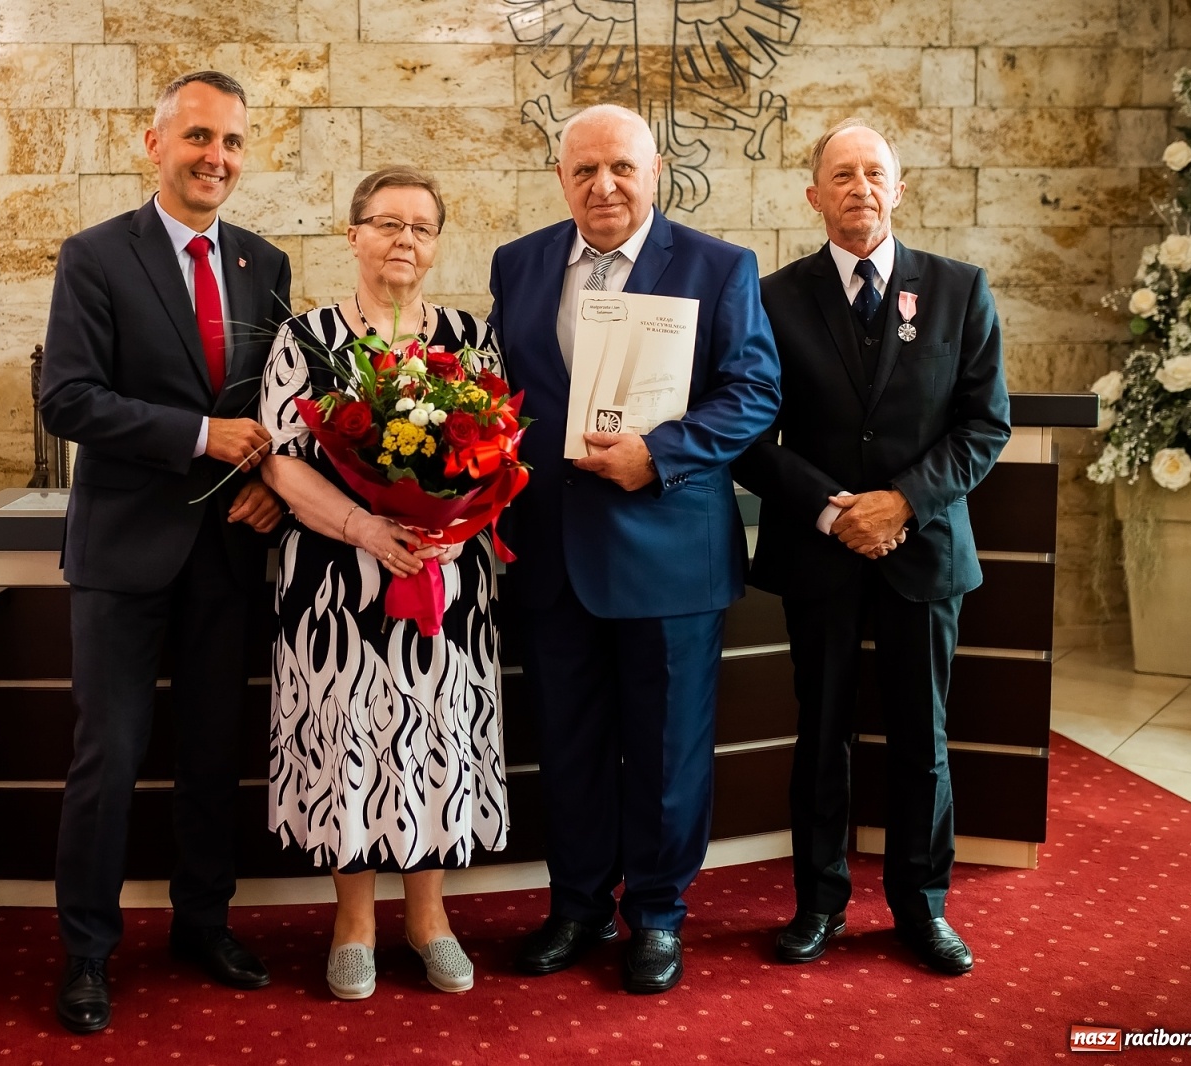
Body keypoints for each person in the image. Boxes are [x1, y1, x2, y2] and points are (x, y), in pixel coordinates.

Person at [487, 104, 781, 994]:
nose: (603, 186)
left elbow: (754, 391)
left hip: (667, 553)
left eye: (621, 167)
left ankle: (656, 913)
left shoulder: (718, 265)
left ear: (656, 172)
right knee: (568, 745)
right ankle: (575, 904)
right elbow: (507, 393)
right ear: (561, 179)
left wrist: (661, 452)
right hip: (550, 554)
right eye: (584, 171)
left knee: (665, 751)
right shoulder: (521, 262)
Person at [39, 70, 292, 1033]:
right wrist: (199, 437)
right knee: (109, 756)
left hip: (229, 549)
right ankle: (87, 953)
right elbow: (67, 399)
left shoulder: (264, 265)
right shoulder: (96, 256)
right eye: (196, 137)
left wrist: (271, 479)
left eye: (229, 141)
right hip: (123, 551)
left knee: (211, 755)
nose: (214, 158)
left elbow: (278, 405)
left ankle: (202, 923)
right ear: (154, 144)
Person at [731, 119, 1010, 976]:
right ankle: (818, 904)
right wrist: (830, 510)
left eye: (873, 173)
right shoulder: (771, 297)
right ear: (813, 196)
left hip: (922, 552)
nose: (859, 187)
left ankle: (922, 909)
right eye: (840, 175)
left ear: (899, 187)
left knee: (922, 737)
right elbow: (748, 432)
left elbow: (983, 424)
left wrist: (902, 504)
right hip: (820, 552)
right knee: (821, 733)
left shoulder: (961, 289)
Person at [258, 167, 508, 1001]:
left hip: (446, 579)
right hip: (337, 584)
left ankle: (429, 916)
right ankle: (355, 920)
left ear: (437, 245)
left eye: (423, 227)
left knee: (433, 734)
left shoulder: (474, 337)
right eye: (387, 223)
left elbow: (496, 459)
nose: (405, 239)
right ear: (353, 233)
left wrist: (444, 529)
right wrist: (368, 527)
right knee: (349, 736)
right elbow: (284, 467)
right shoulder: (306, 337)